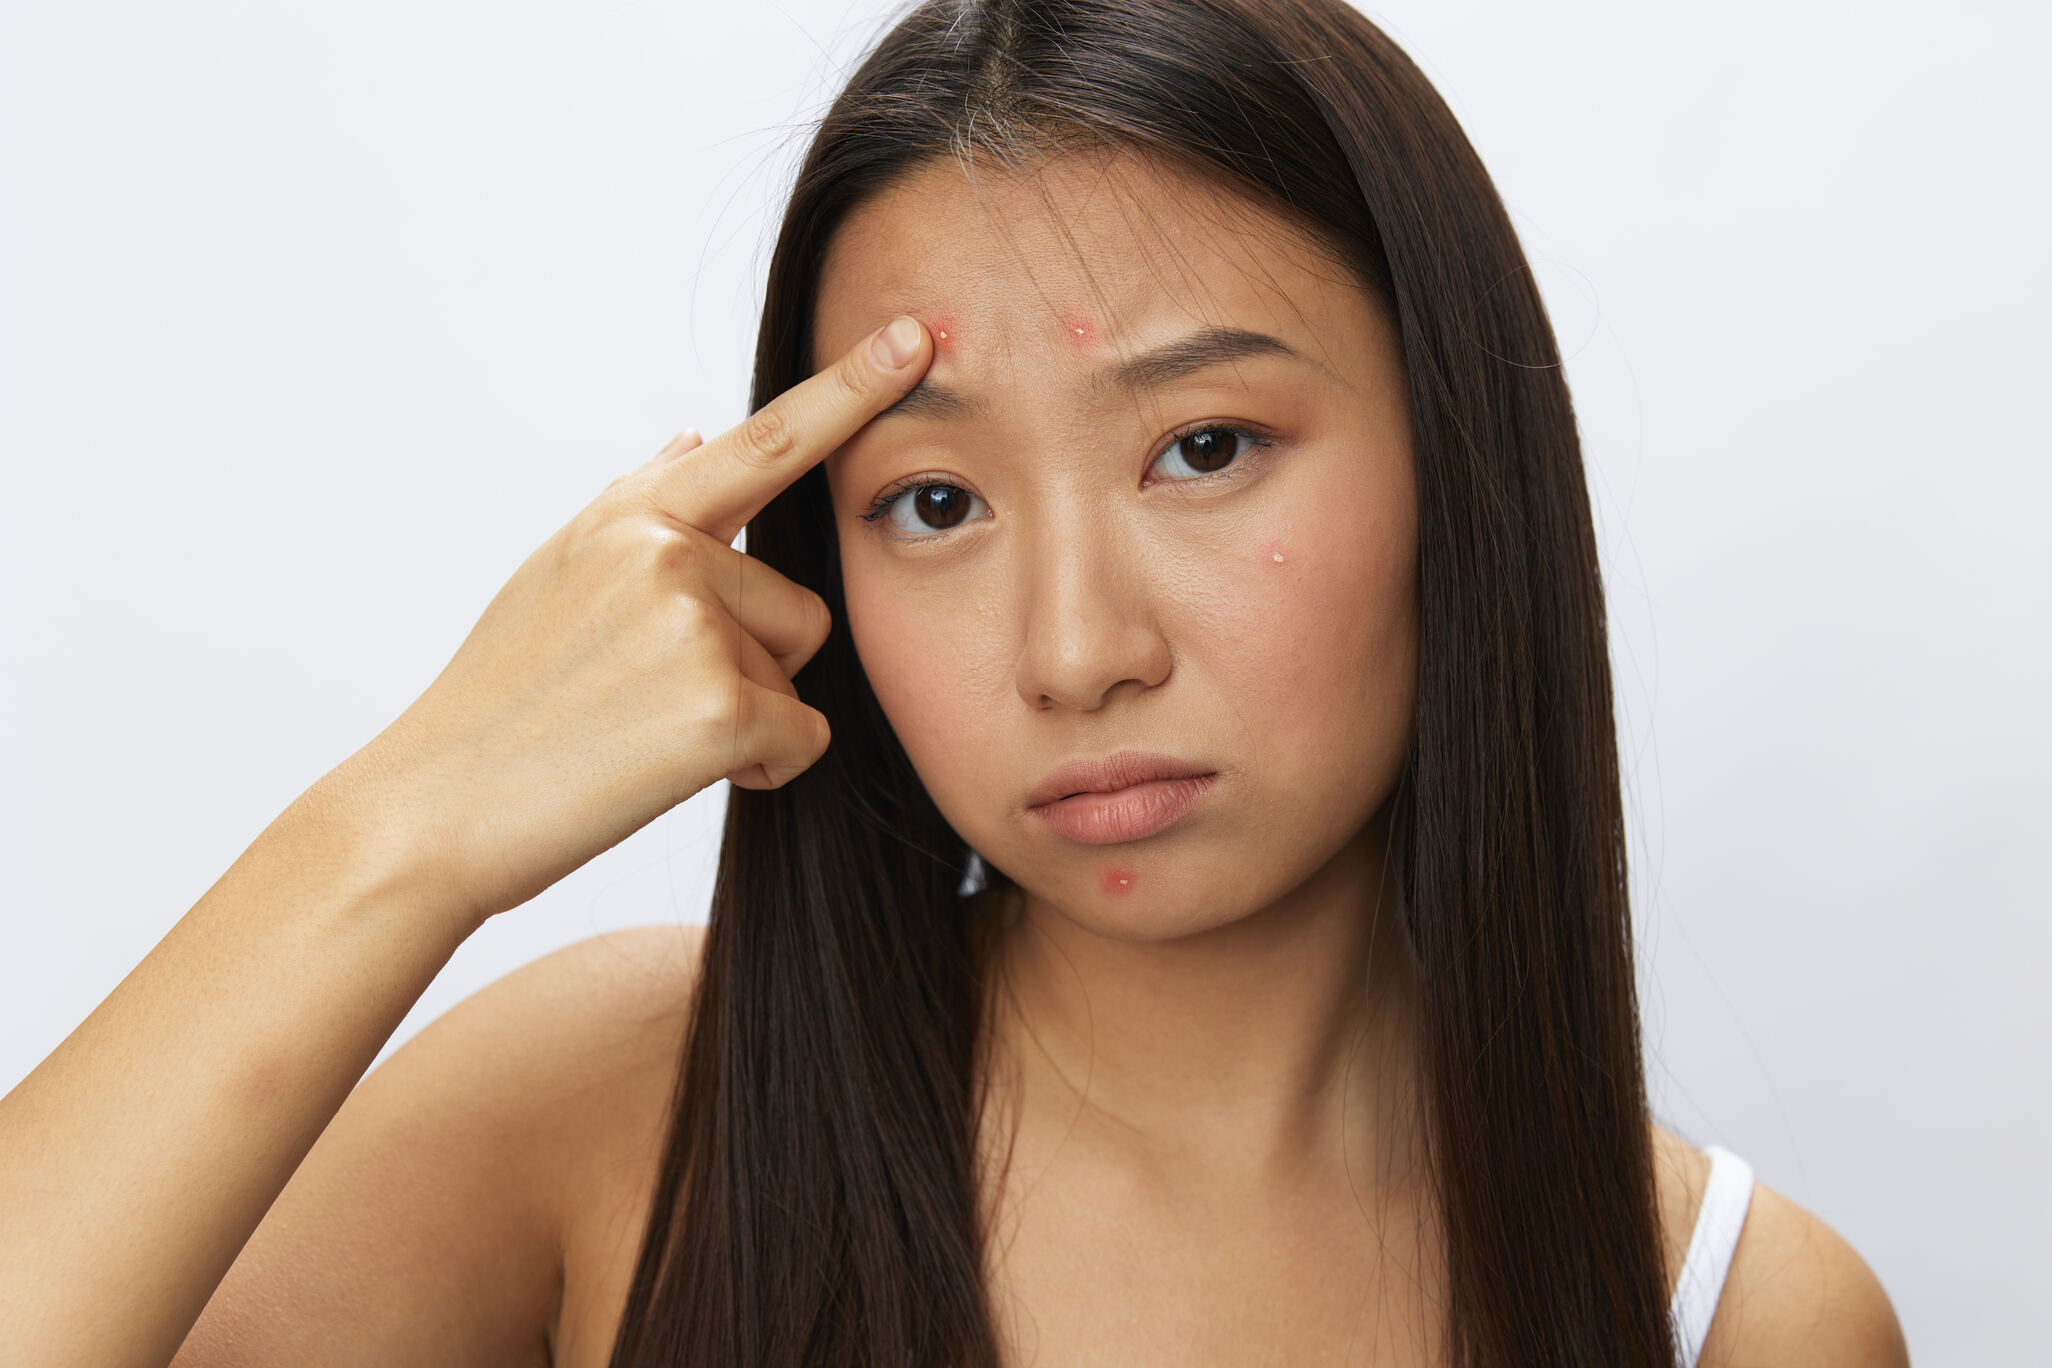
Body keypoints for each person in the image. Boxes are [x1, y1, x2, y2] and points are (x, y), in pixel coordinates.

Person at [0, 0, 1912, 1364]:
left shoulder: (1735, 1315)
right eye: (931, 501)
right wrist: (411, 821)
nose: (1076, 651)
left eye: (1204, 449)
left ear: (1459, 470)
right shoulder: (621, 1115)